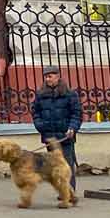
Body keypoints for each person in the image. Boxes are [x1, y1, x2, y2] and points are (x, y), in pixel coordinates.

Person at [31, 65, 83, 193]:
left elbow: (77, 114)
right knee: (55, 167)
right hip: (50, 137)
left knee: (67, 166)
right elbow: (35, 112)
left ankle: (70, 192)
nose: (47, 79)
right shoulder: (40, 95)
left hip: (66, 137)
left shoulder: (70, 94)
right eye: (46, 77)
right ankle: (62, 191)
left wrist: (72, 128)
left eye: (50, 76)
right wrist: (41, 126)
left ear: (57, 76)